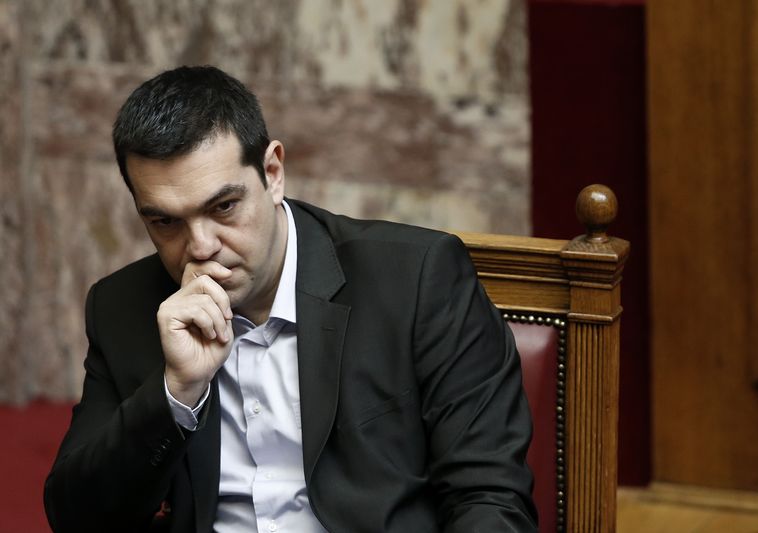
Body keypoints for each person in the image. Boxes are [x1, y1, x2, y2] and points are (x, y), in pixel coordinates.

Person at [44, 65, 537, 532]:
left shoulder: (416, 279)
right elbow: (78, 517)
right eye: (165, 222)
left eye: (224, 206)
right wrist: (176, 393)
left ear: (273, 171)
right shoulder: (122, 307)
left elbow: (489, 498)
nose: (199, 246)